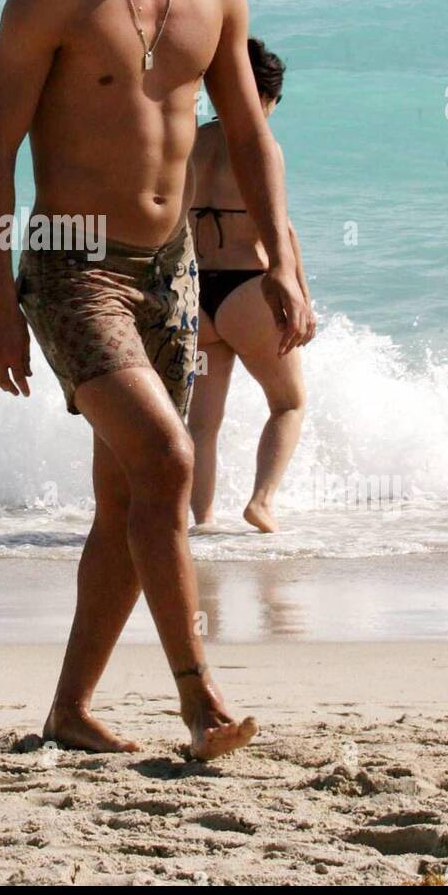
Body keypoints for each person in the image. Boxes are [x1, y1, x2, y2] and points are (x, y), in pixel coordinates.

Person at [0, 0, 311, 760]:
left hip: (169, 268)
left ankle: (71, 709)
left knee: (128, 496)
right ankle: (199, 698)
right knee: (166, 461)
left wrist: (281, 257)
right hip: (72, 261)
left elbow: (247, 134)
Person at [188, 39, 313, 534]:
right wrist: (302, 293)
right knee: (289, 404)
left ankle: (201, 522)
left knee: (202, 424)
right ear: (269, 98)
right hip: (249, 291)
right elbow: (279, 227)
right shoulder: (263, 145)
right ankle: (261, 502)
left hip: (198, 295)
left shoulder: (193, 140)